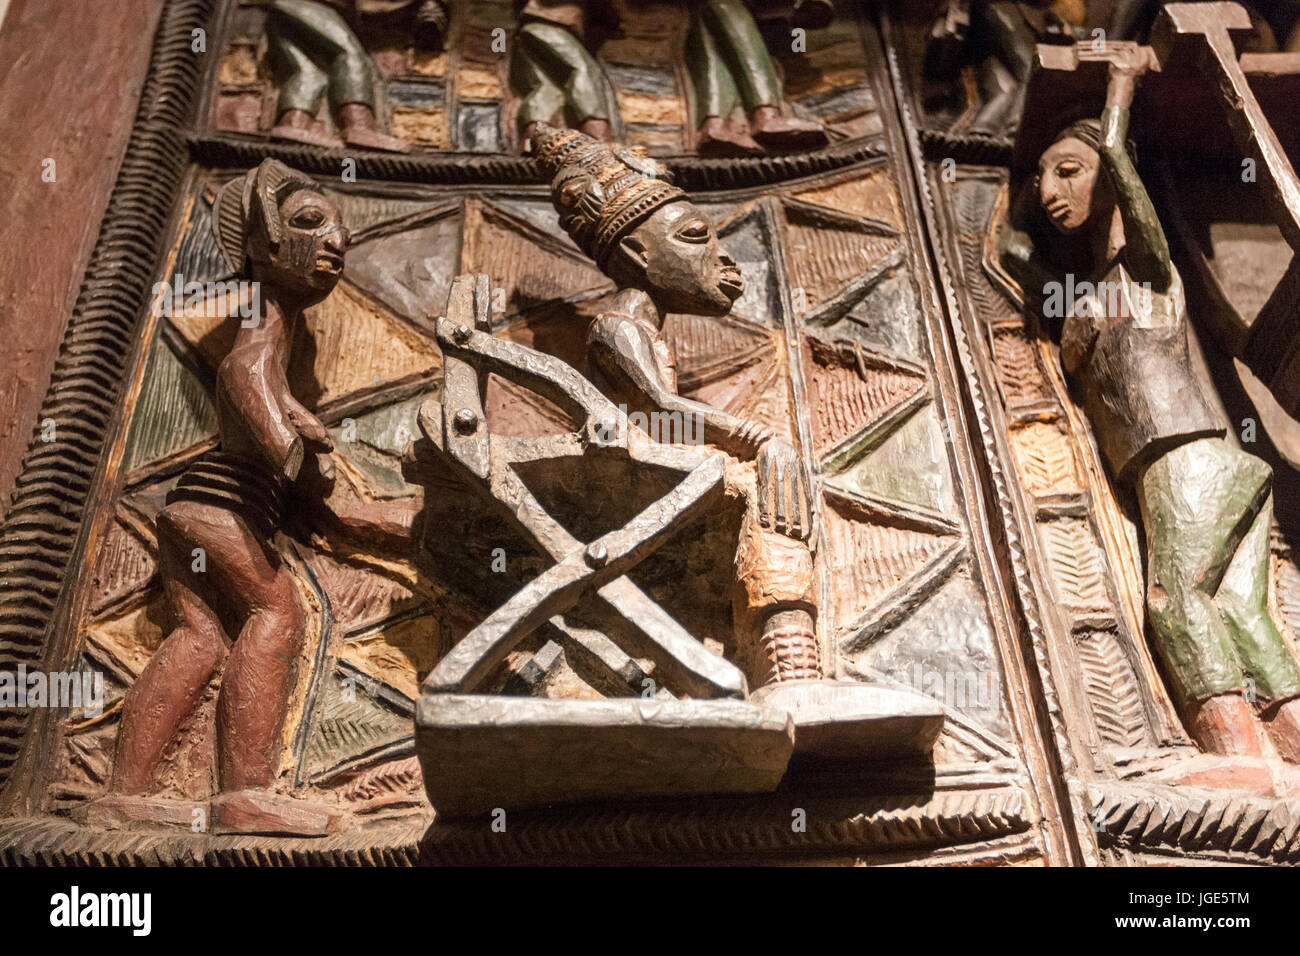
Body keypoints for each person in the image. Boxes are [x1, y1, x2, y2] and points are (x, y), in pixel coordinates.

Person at [1000, 48, 1300, 762]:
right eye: (1041, 178)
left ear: (1111, 169)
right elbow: (1015, 250)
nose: (1050, 190)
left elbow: (1116, 159)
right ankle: (1287, 754)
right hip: (1203, 470)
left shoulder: (1146, 265)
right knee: (1245, 612)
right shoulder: (1081, 300)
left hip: (1184, 462)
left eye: (1067, 173)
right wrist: (1019, 200)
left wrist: (1122, 84)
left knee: (1173, 602)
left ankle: (1235, 758)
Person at [96, 161, 355, 831]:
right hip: (221, 509)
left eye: (342, 230)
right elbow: (273, 432)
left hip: (195, 512)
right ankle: (244, 794)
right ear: (262, 245)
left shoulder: (271, 342)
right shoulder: (256, 351)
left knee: (201, 636)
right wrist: (307, 453)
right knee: (278, 614)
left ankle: (126, 793)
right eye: (309, 223)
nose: (336, 241)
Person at [531, 123, 821, 688]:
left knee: (764, 484)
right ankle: (787, 664)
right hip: (625, 468)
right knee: (761, 488)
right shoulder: (616, 328)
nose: (723, 258)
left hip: (653, 467)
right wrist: (760, 440)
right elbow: (656, 408)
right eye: (695, 238)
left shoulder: (639, 326)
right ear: (639, 254)